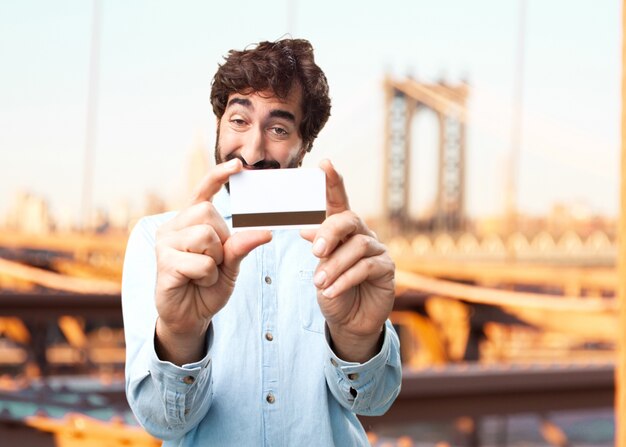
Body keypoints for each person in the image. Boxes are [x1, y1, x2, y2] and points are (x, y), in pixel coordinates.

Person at [122, 38, 401, 446]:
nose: (252, 151)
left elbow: (374, 402)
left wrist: (357, 339)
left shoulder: (342, 243)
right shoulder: (159, 241)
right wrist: (181, 334)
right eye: (238, 120)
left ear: (303, 145)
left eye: (278, 128)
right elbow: (163, 423)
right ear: (218, 123)